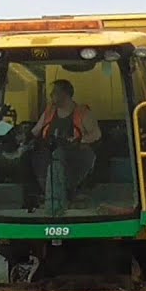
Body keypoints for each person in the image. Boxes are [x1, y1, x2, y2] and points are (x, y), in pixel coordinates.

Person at [28, 79, 101, 207]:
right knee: (27, 156)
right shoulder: (49, 112)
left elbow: (96, 134)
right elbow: (36, 130)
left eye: (55, 92)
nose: (51, 95)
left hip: (76, 153)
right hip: (47, 151)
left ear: (65, 94)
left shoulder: (83, 112)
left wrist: (79, 140)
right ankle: (37, 195)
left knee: (58, 155)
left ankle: (57, 198)